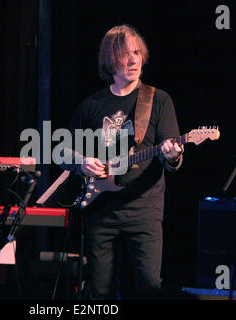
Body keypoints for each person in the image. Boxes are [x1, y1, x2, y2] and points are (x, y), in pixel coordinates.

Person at [61, 25, 184, 299]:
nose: (134, 60)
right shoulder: (91, 105)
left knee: (149, 289)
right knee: (98, 292)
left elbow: (170, 159)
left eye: (137, 52)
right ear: (110, 60)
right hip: (100, 212)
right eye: (125, 54)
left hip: (144, 213)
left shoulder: (158, 100)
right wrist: (82, 162)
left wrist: (173, 156)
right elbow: (61, 152)